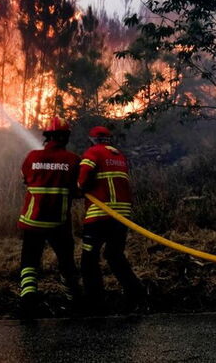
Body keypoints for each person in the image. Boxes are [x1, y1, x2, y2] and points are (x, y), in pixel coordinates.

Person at [17, 116, 82, 317]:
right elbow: (78, 189)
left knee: (29, 260)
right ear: (66, 137)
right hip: (58, 223)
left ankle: (28, 299)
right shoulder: (73, 160)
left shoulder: (32, 157)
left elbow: (25, 180)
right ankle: (75, 301)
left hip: (32, 221)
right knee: (66, 261)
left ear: (47, 136)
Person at [78, 126, 145, 311]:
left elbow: (82, 179)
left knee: (89, 259)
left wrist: (78, 188)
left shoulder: (92, 153)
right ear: (109, 139)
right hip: (122, 215)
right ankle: (136, 292)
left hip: (99, 214)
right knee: (114, 255)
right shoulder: (119, 156)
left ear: (92, 139)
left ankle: (95, 301)